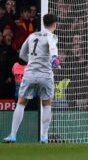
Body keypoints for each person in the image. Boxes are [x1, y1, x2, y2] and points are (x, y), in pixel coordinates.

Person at [3, 13, 60, 144]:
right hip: (45, 75)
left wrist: (33, 61)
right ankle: (44, 136)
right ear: (55, 25)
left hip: (29, 74)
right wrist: (55, 59)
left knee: (21, 102)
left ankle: (12, 135)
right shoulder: (51, 36)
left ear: (43, 23)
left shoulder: (32, 36)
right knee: (46, 104)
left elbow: (22, 54)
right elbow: (52, 48)